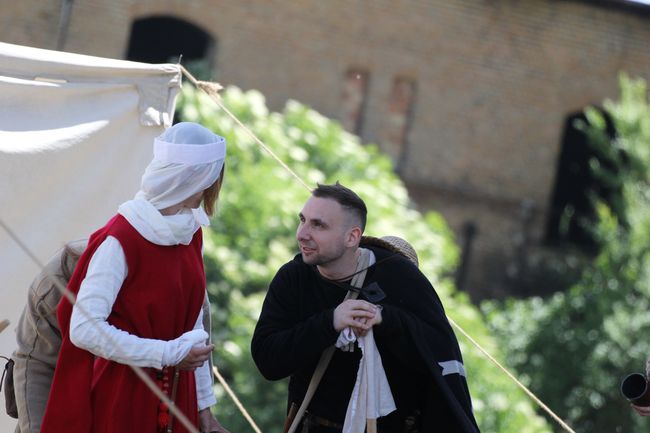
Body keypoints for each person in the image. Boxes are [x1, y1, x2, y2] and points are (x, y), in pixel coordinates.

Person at [40, 122, 230, 433]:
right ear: (192, 178)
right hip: (123, 394)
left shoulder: (190, 232)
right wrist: (166, 353)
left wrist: (204, 412)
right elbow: (84, 328)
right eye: (210, 179)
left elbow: (193, 329)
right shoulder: (122, 238)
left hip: (177, 392)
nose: (212, 189)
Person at [251, 182, 481, 433]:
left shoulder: (398, 277)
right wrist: (330, 323)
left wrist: (384, 319)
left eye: (318, 225)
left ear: (352, 236)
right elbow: (268, 360)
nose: (302, 233)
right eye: (302, 220)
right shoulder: (293, 277)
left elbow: (437, 351)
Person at [9, 240, 218, 433]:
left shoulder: (186, 286)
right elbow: (36, 363)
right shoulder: (60, 277)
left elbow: (197, 362)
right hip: (63, 407)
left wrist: (204, 414)